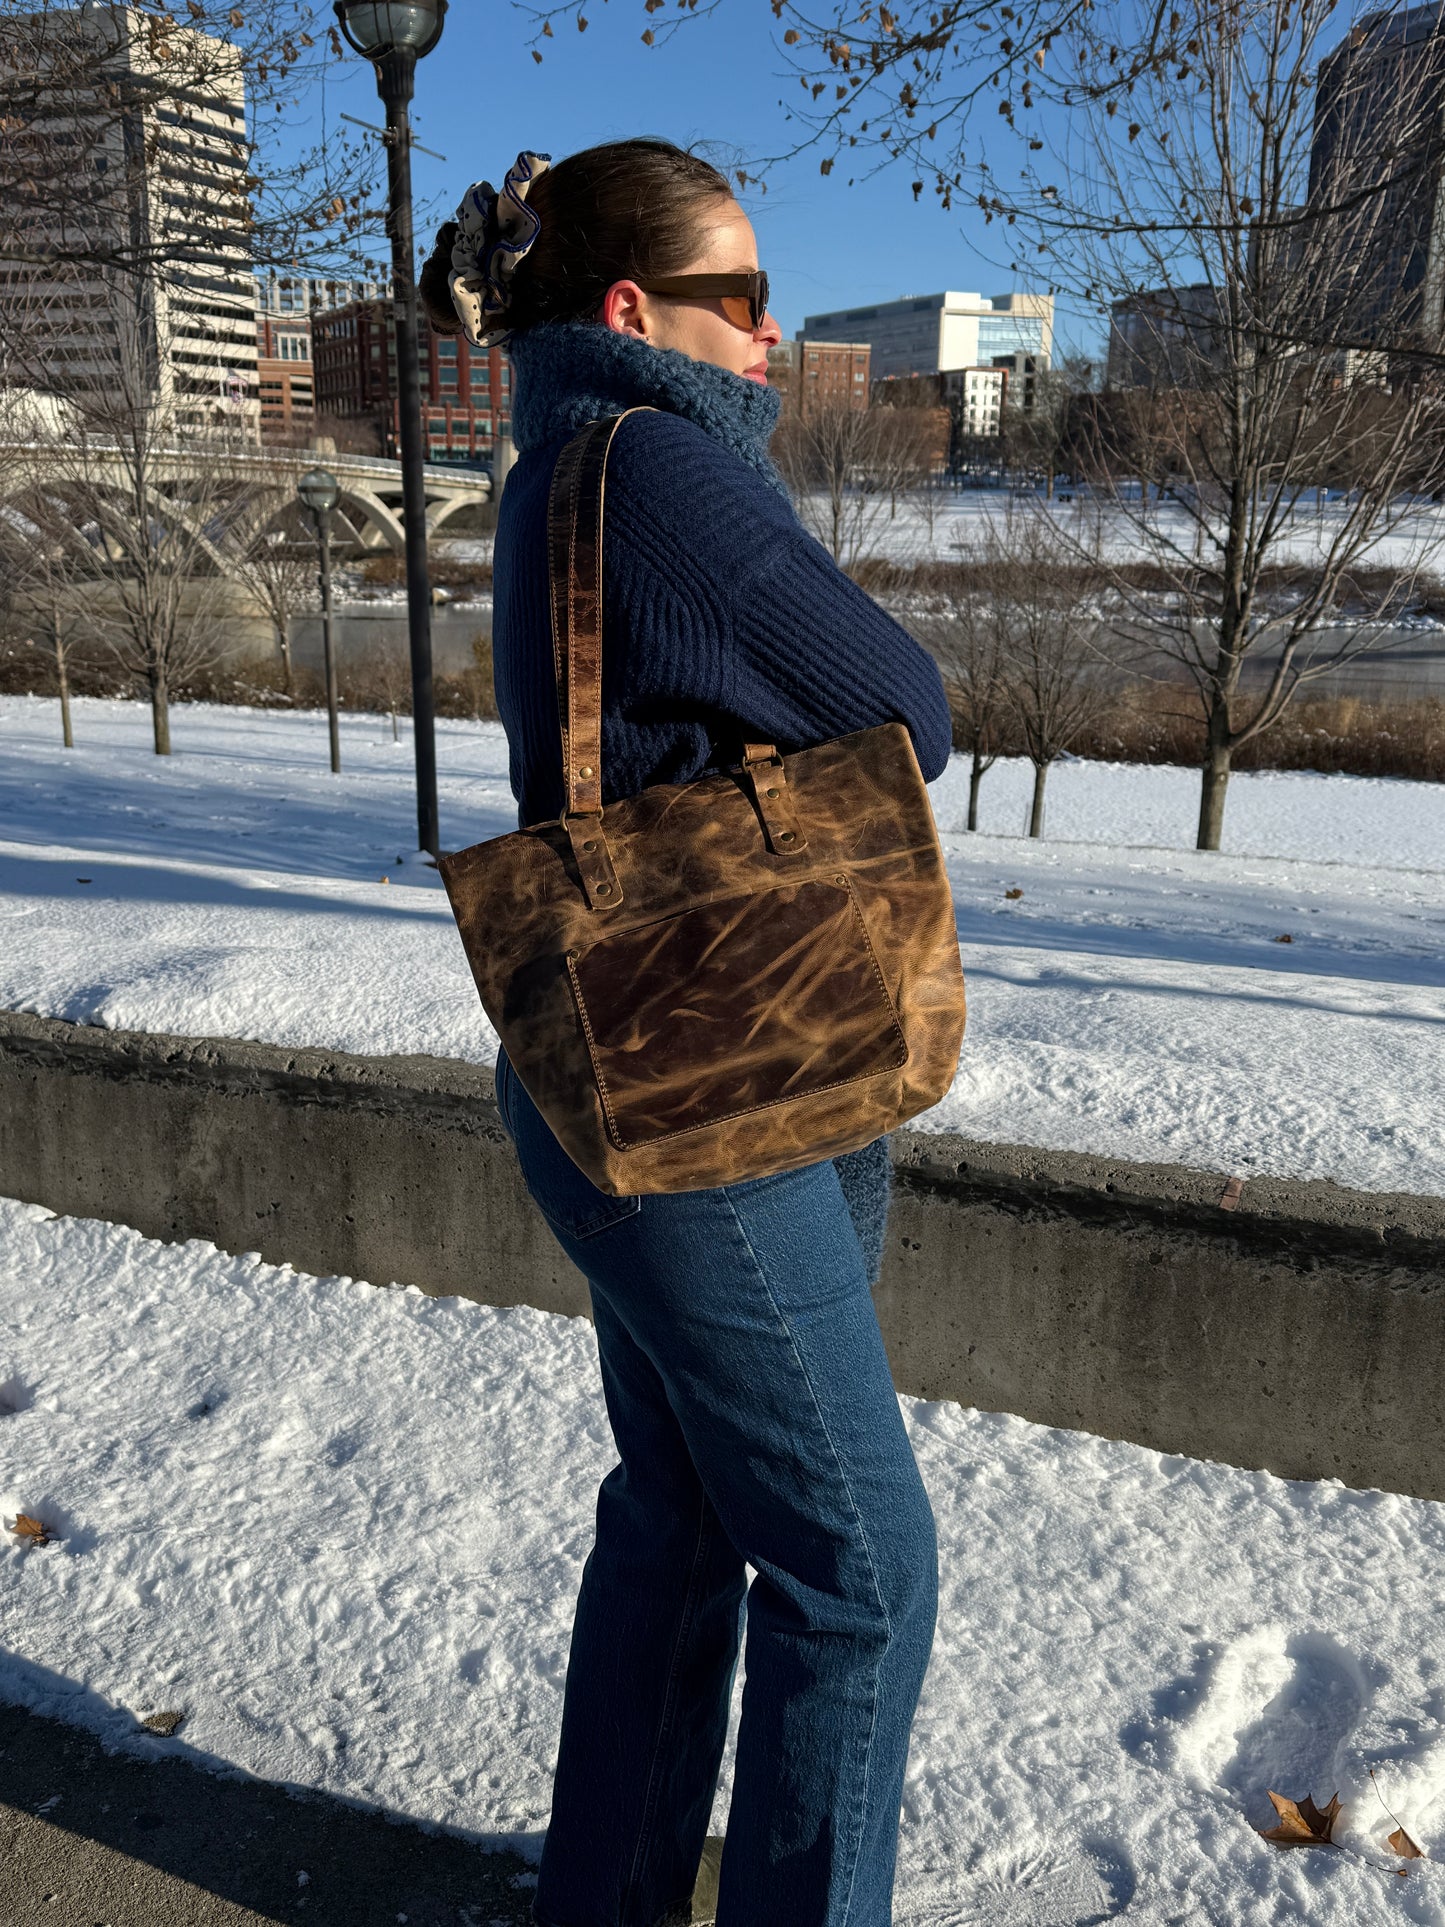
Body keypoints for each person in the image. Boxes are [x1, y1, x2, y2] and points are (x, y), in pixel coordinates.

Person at [420, 138, 955, 1927]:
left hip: (619, 1069)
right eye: (739, 299)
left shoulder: (556, 453)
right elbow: (906, 708)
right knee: (859, 1570)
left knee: (681, 1514)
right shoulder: (663, 469)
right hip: (718, 1095)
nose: (769, 331)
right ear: (635, 309)